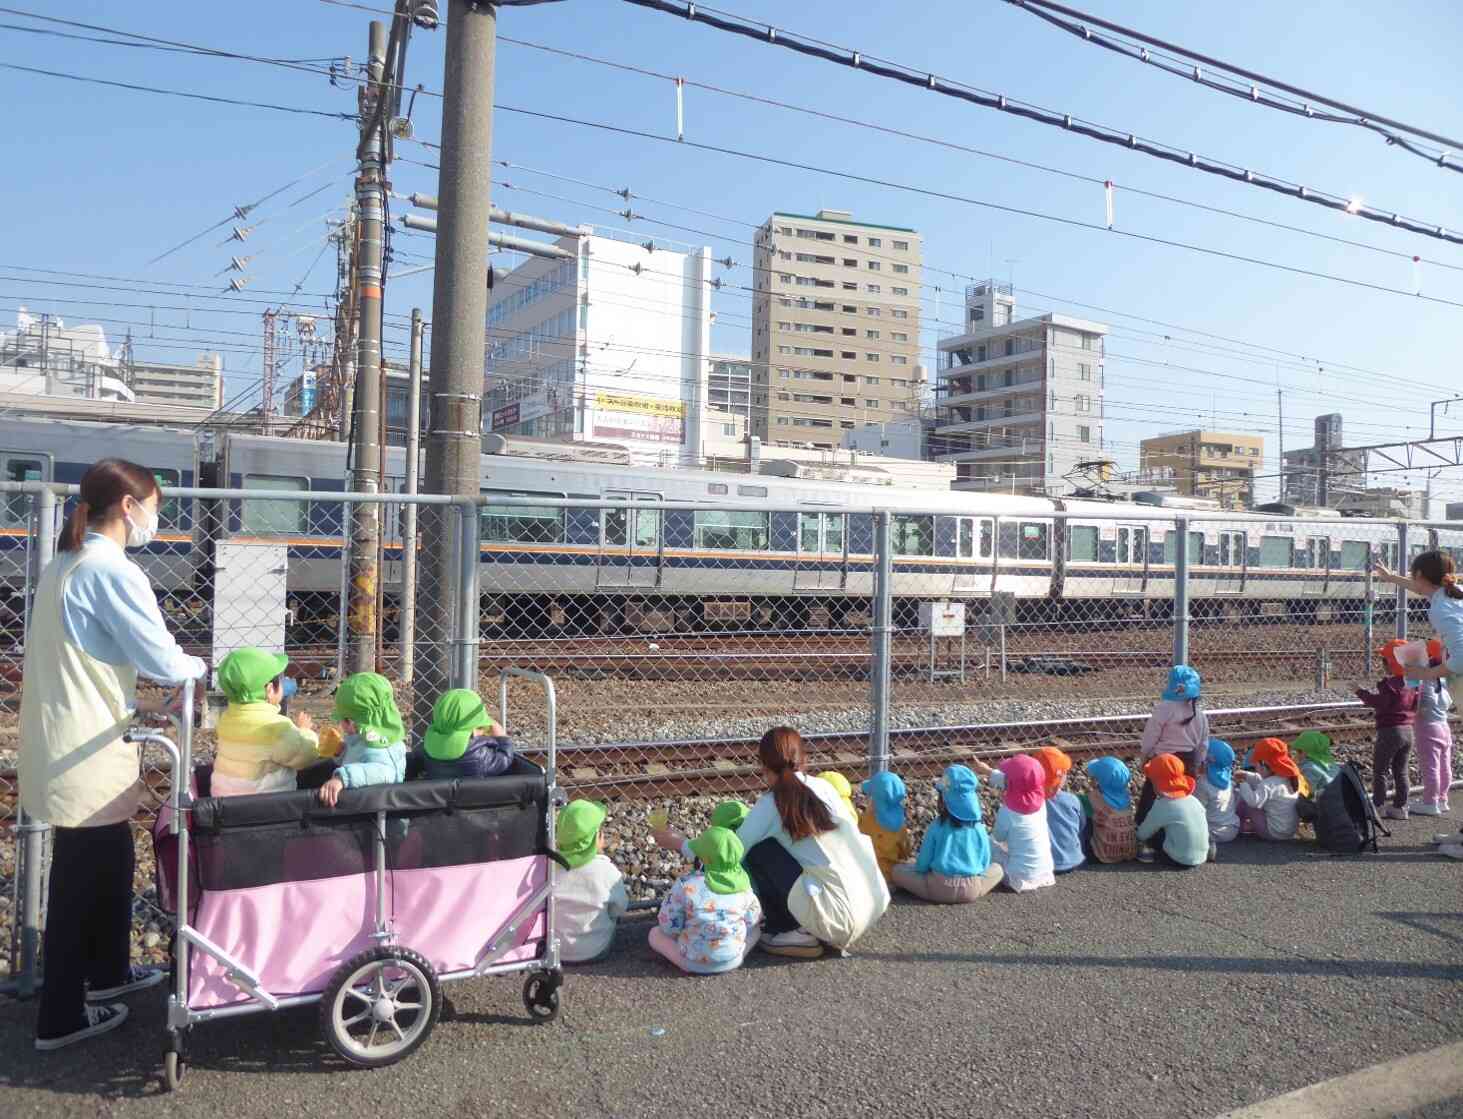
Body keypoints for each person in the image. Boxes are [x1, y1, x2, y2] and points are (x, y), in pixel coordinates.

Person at [19, 459, 206, 1050]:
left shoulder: (65, 565)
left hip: (68, 738)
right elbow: (163, 659)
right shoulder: (111, 572)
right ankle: (62, 1016)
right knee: (81, 875)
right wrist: (204, 669)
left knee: (110, 857)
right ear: (129, 506)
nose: (157, 517)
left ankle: (107, 974)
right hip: (88, 748)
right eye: (154, 504)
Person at [654, 727, 888, 959]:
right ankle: (808, 926)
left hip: (837, 919)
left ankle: (793, 931)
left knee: (759, 850)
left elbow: (729, 855)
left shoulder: (771, 804)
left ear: (763, 767)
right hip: (871, 903)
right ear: (803, 759)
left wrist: (681, 844)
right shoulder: (825, 787)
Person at [210, 648, 324, 798]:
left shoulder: (226, 719)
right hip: (263, 808)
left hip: (222, 802)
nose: (284, 683)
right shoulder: (276, 728)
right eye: (280, 680)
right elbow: (305, 756)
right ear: (270, 690)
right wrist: (305, 731)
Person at [649, 826, 762, 974]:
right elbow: (753, 919)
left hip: (691, 963)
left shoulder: (686, 885)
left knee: (655, 934)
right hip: (733, 960)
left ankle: (695, 959)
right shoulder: (744, 887)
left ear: (704, 859)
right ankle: (728, 954)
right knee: (758, 930)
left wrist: (681, 934)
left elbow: (668, 925)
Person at [890, 765, 1004, 902]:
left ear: (943, 800)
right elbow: (984, 863)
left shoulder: (937, 826)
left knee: (897, 871)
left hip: (937, 887)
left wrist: (915, 868)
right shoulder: (979, 827)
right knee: (998, 869)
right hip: (971, 890)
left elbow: (922, 865)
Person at [1372, 550, 1463, 713]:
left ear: (1419, 574)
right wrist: (1390, 577)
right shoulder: (1454, 593)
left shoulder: (1441, 609)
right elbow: (1421, 588)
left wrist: (1426, 673)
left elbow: (1460, 659)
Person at [317, 673, 409, 807]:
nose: (341, 724)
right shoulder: (364, 737)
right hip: (363, 809)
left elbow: (384, 772)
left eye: (345, 720)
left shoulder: (382, 748)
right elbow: (357, 756)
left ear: (358, 723)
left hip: (381, 818)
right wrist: (341, 751)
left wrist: (342, 778)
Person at [554, 800, 629, 964]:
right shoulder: (606, 871)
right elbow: (620, 908)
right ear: (596, 838)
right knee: (612, 912)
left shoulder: (550, 869)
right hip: (596, 950)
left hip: (555, 952)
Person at [1136, 666, 1210, 827]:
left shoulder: (1164, 708)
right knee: (1184, 796)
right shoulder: (1200, 714)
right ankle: (1183, 828)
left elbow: (1150, 736)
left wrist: (1144, 757)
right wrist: (1199, 764)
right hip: (1188, 762)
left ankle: (1144, 829)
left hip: (1163, 762)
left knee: (1151, 796)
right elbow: (1203, 744)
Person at [1355, 639, 1418, 821]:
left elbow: (1380, 703)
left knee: (1380, 770)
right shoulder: (1412, 683)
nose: (1382, 665)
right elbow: (1415, 705)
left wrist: (1360, 692)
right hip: (1408, 730)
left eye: (1384, 661)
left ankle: (1379, 806)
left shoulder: (1389, 685)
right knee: (1401, 770)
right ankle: (1400, 807)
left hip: (1390, 731)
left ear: (1392, 663)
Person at [982, 755, 1056, 893]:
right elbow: (1017, 783)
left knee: (986, 841)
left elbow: (998, 837)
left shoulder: (1009, 810)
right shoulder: (1041, 800)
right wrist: (988, 771)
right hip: (1045, 872)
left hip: (1017, 877)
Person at [419, 688, 515, 781]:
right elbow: (504, 759)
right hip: (474, 796)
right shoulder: (478, 756)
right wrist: (503, 739)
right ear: (473, 729)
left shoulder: (429, 745)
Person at [1135, 754, 1212, 868]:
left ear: (1156, 783)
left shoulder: (1163, 804)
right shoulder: (1193, 800)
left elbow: (1142, 834)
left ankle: (1151, 854)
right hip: (1202, 856)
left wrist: (1136, 833)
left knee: (1154, 833)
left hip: (1178, 859)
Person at [1411, 640, 1454, 817]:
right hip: (1444, 727)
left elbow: (1417, 706)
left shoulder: (1423, 680)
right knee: (1445, 767)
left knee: (1431, 768)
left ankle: (1430, 802)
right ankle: (1442, 799)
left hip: (1428, 728)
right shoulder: (1442, 678)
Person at [1234, 738, 1305, 841]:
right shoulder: (1287, 777)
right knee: (1258, 799)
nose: (1256, 768)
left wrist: (1242, 783)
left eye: (1256, 766)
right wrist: (1247, 775)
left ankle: (1236, 826)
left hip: (1274, 833)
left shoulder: (1268, 783)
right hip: (1288, 832)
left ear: (1263, 764)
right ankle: (1248, 826)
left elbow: (1253, 802)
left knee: (1247, 804)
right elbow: (1262, 781)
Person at [1033, 746, 1085, 873]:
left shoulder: (1032, 803)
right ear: (1061, 777)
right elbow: (1082, 826)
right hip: (1074, 861)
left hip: (1044, 865)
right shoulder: (1072, 800)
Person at [858, 769, 913, 882]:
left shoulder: (866, 819)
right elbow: (905, 851)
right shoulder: (899, 824)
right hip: (892, 874)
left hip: (868, 871)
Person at [1083, 757, 1137, 864]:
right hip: (1130, 852)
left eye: (1095, 777)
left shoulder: (1092, 798)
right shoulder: (1126, 797)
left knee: (1085, 818)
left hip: (1102, 855)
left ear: (1100, 781)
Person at [1195, 738, 1240, 846]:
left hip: (1211, 831)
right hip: (1232, 830)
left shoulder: (1203, 784)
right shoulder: (1229, 781)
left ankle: (1207, 846)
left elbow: (1197, 812)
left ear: (1206, 761)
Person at [1289, 731, 1341, 803]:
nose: (1296, 755)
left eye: (1299, 751)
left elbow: (1304, 793)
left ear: (1310, 753)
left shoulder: (1310, 768)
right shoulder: (1329, 763)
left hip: (1325, 805)